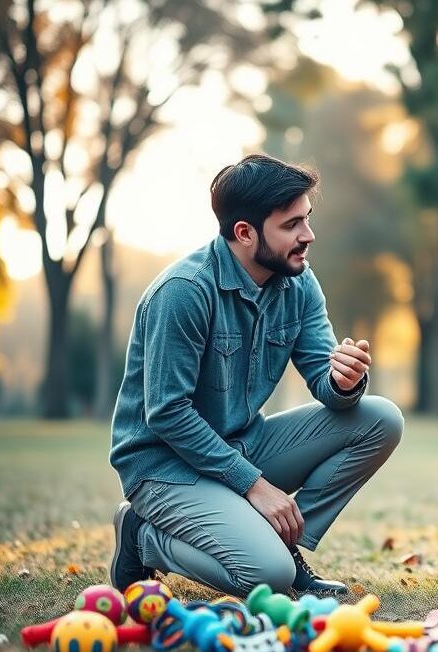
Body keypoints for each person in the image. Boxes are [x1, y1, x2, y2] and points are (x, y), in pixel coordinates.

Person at [108, 154, 403, 597]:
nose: (308, 235)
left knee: (380, 419)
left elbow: (325, 383)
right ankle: (142, 536)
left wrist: (344, 382)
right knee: (268, 576)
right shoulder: (183, 292)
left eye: (307, 218)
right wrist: (255, 486)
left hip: (243, 444)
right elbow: (167, 414)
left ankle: (283, 544)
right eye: (291, 225)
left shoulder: (299, 282)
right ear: (245, 233)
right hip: (165, 466)